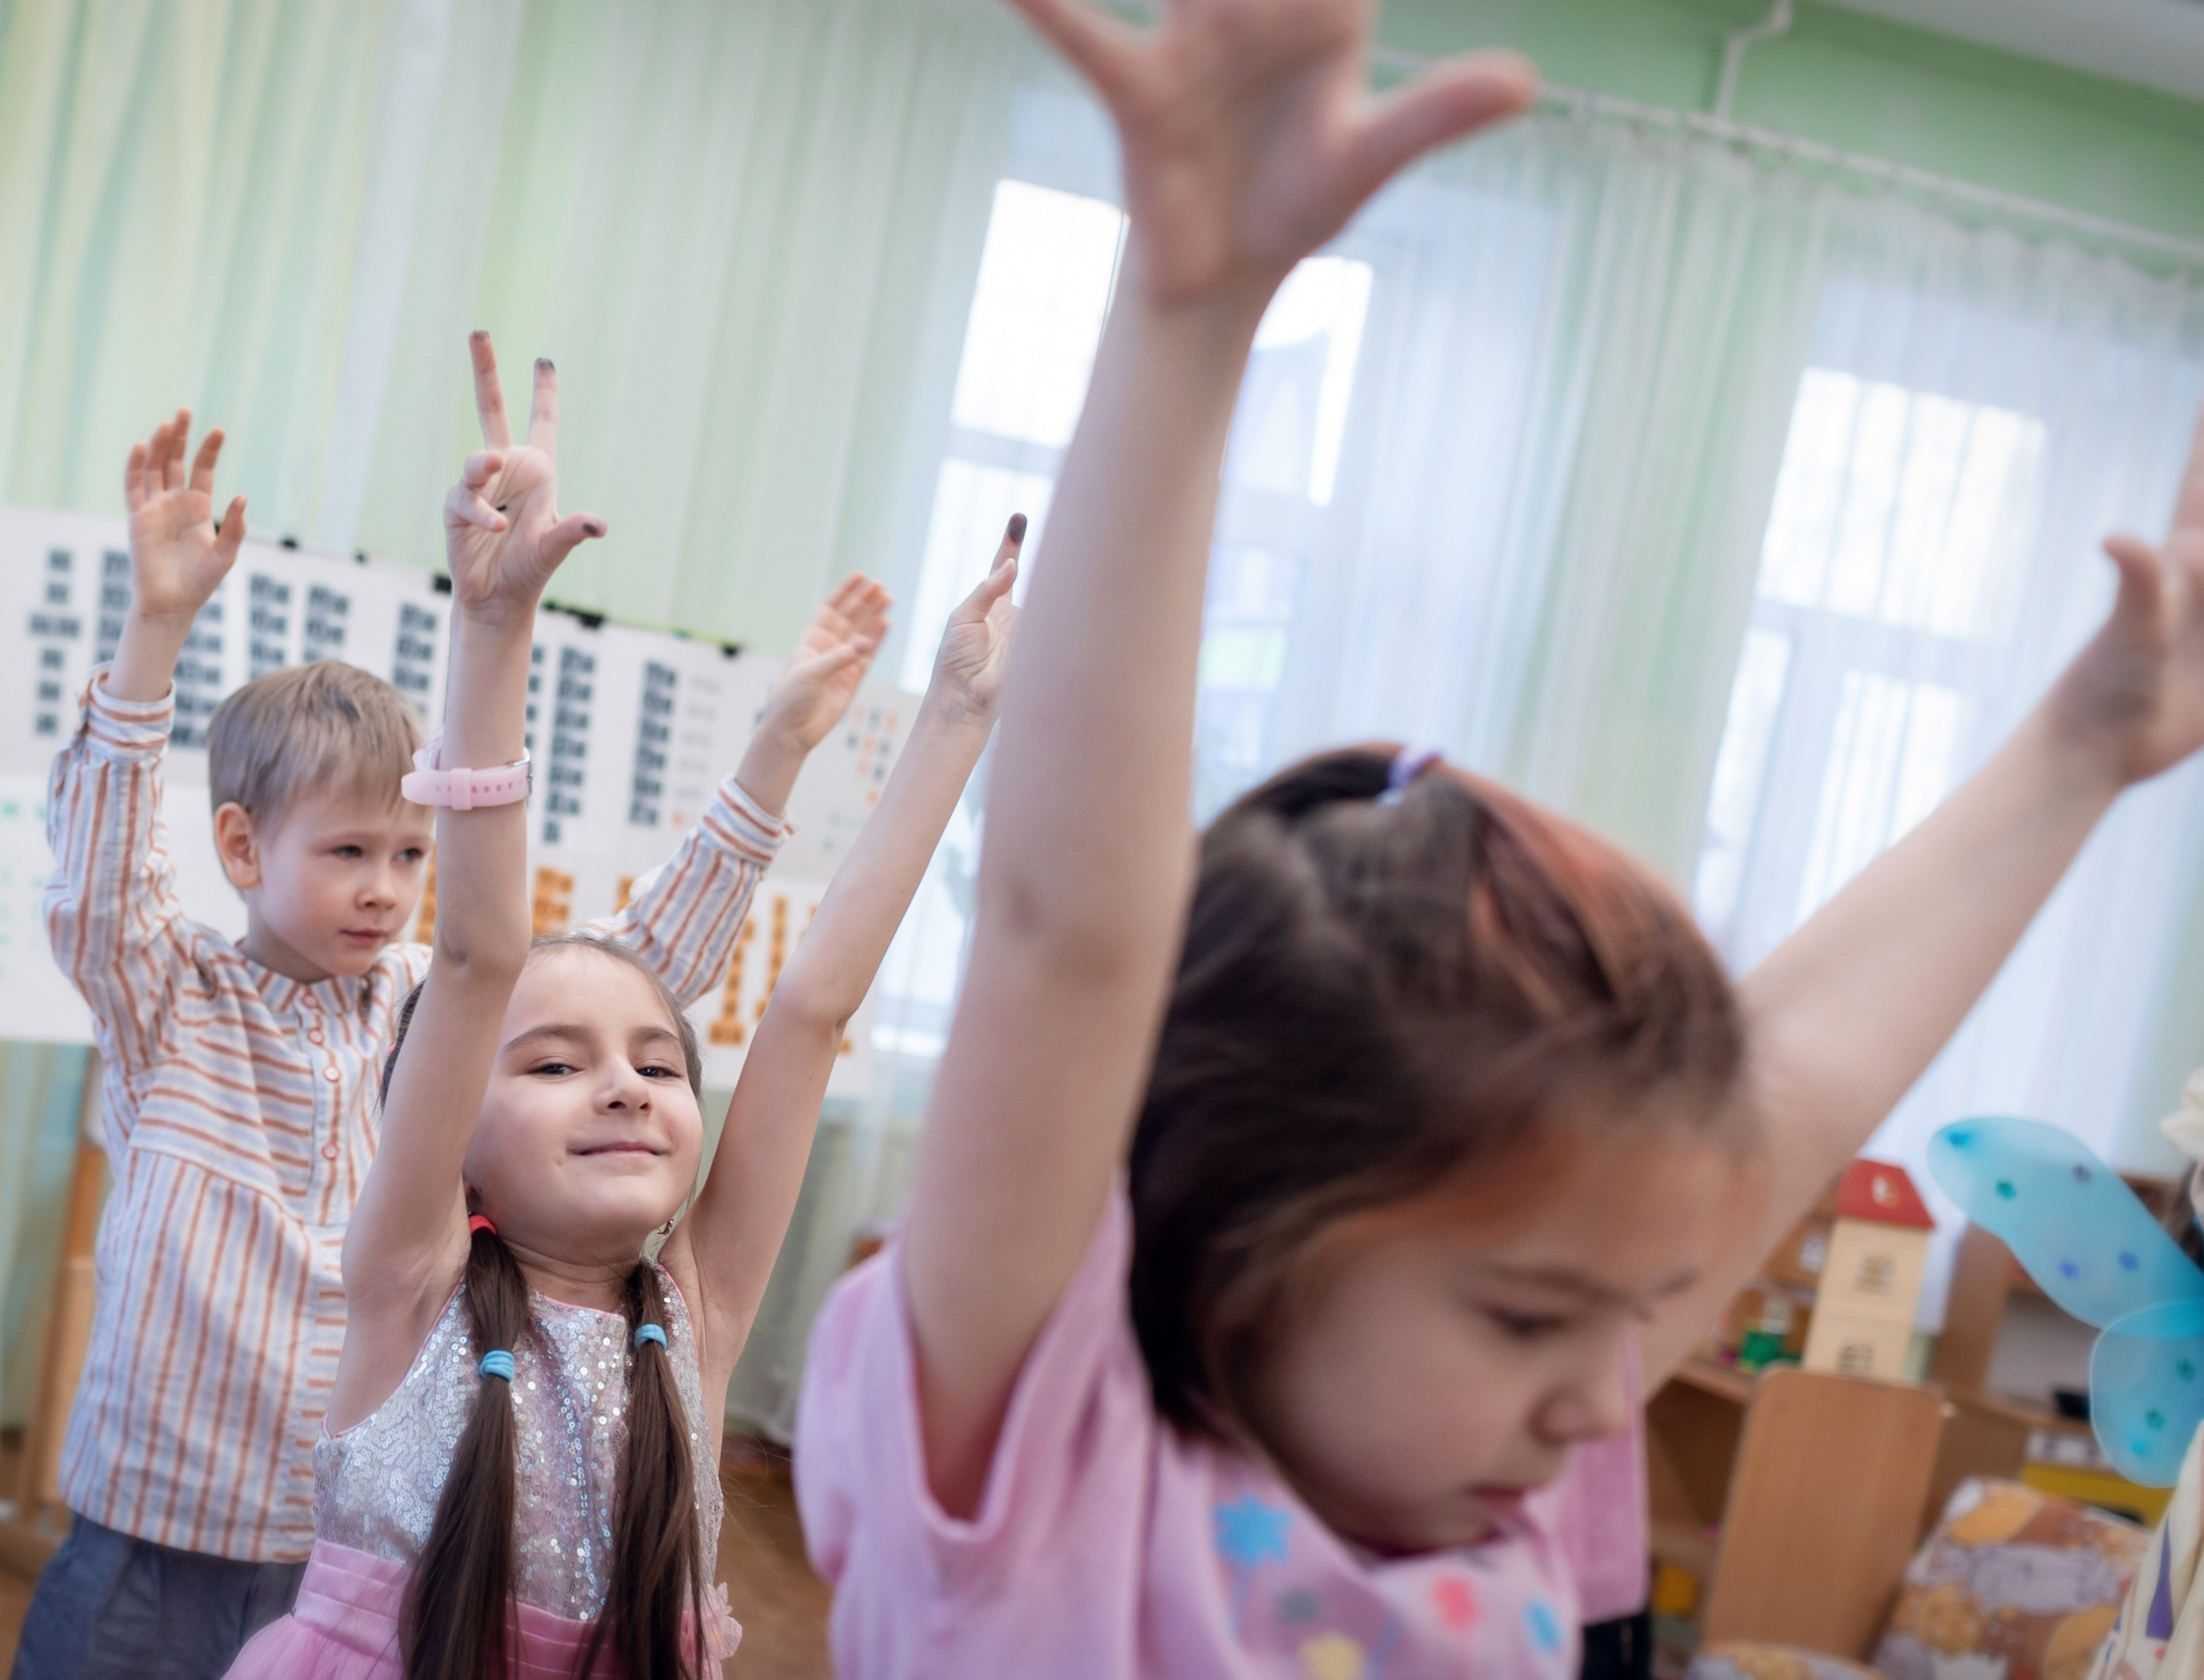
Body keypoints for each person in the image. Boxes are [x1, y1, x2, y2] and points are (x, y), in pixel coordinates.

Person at [790, 0, 2204, 1672]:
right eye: (1534, 1315)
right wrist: (1191, 316)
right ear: (1240, 1242)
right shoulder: (1050, 1457)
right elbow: (1067, 934)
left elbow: (1802, 1082)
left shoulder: (1467, 1476)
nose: (1603, 1396)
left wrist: (2083, 751)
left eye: (1624, 1307)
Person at [17, 375, 892, 1680]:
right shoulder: (172, 1001)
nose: (385, 885)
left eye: (412, 853)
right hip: (156, 1540)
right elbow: (94, 882)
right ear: (243, 847)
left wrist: (777, 751)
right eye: (350, 850)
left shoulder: (439, 1013)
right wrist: (155, 631)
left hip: (366, 1566)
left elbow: (641, 962)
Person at [222, 335, 1023, 1679]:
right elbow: (477, 953)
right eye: (549, 1065)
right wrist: (493, 625)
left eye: (659, 1063)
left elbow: (810, 1013)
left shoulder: (693, 1312)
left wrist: (956, 715)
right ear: (445, 1119)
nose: (625, 1086)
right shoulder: (409, 1284)